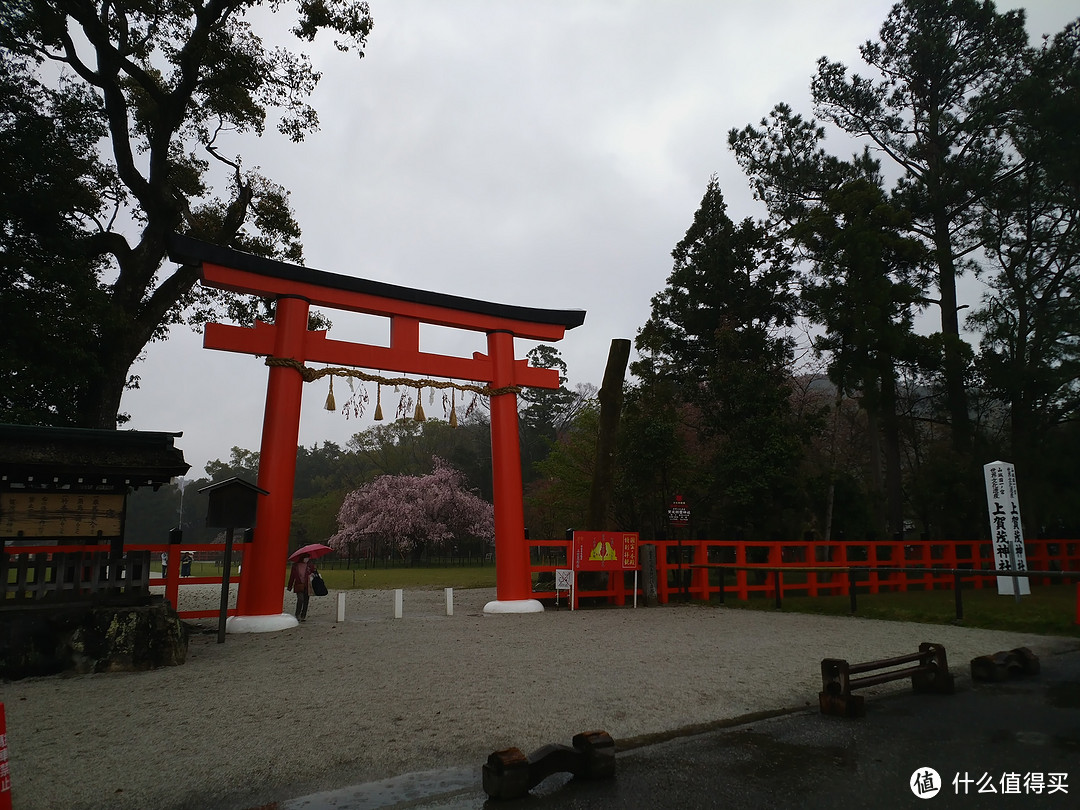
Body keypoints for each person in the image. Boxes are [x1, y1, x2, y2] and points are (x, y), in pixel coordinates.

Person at [286, 554, 316, 622]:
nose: (307, 559)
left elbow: (314, 573)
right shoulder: (295, 566)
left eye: (308, 558)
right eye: (306, 558)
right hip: (299, 585)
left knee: (306, 601)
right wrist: (289, 586)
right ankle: (297, 614)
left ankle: (303, 615)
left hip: (307, 585)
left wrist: (313, 574)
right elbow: (292, 577)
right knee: (300, 599)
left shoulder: (310, 565)